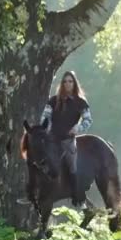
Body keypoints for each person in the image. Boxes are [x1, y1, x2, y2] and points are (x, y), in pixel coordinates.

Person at [18, 71, 93, 210]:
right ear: (62, 84)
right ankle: (31, 194)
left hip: (68, 141)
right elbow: (45, 117)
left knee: (72, 165)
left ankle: (78, 196)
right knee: (34, 160)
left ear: (74, 83)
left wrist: (78, 127)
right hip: (52, 140)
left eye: (70, 81)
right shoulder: (53, 100)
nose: (68, 84)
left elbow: (88, 120)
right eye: (65, 81)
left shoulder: (81, 102)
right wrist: (47, 129)